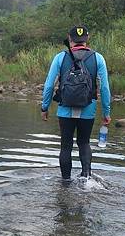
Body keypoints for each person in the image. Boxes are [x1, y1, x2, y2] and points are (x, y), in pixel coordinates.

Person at [41, 25, 111, 181]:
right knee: (84, 143)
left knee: (65, 146)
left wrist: (44, 107)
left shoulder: (60, 57)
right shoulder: (98, 58)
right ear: (87, 39)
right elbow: (105, 87)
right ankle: (86, 180)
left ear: (69, 39)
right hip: (88, 109)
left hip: (65, 109)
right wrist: (107, 113)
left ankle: (65, 182)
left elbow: (49, 85)